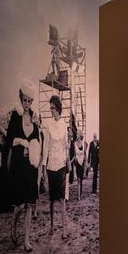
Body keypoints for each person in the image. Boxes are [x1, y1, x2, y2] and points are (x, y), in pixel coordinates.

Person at [7, 78, 41, 252]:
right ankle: (13, 223)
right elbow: (9, 140)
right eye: (24, 100)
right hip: (19, 165)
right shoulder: (15, 115)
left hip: (30, 166)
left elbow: (37, 139)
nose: (27, 104)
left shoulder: (34, 117)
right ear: (20, 98)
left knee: (29, 203)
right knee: (20, 204)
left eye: (30, 101)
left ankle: (27, 240)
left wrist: (34, 147)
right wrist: (22, 141)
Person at [41, 95, 70, 238]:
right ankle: (52, 226)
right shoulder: (48, 125)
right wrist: (44, 166)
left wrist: (68, 161)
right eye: (50, 108)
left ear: (58, 108)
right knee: (52, 199)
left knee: (62, 199)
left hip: (62, 165)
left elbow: (66, 145)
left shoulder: (64, 125)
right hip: (51, 165)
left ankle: (64, 229)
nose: (51, 110)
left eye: (52, 108)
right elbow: (45, 146)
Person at [74, 132, 87, 200]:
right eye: (77, 134)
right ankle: (78, 195)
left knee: (81, 179)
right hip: (77, 163)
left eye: (78, 134)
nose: (77, 135)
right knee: (78, 179)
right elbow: (74, 153)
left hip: (82, 163)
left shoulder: (83, 143)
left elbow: (85, 154)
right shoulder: (75, 144)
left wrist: (86, 163)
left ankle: (80, 193)